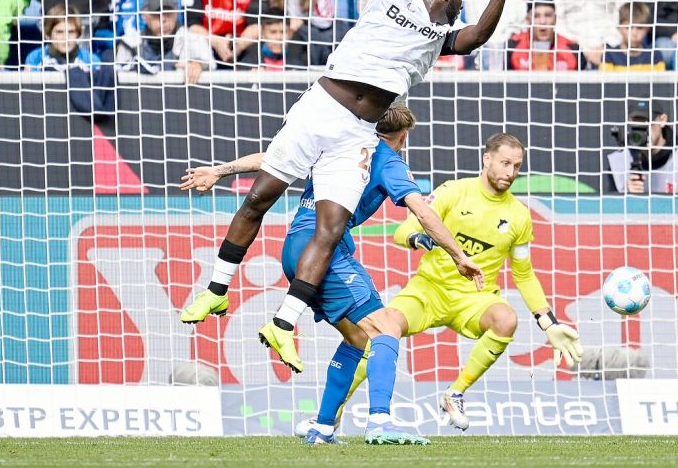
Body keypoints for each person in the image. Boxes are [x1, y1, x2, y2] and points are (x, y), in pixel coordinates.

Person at [180, 0, 521, 381]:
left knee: (333, 225)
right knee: (260, 196)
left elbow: (478, 35)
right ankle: (217, 288)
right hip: (321, 107)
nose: (462, 9)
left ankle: (284, 322)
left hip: (359, 132)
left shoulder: (440, 38)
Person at [181, 105, 472, 444]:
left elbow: (273, 157)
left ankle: (321, 427)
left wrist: (221, 170)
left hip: (295, 247)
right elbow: (422, 210)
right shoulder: (388, 161)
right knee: (387, 327)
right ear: (403, 137)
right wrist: (459, 256)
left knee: (358, 337)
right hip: (323, 251)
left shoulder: (338, 141)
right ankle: (379, 421)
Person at [299, 133, 584, 435]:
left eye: (517, 166)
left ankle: (455, 393)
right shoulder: (453, 192)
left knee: (506, 319)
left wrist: (548, 322)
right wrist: (417, 238)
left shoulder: (519, 215)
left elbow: (523, 274)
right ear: (487, 159)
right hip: (428, 291)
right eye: (504, 163)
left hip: (474, 300)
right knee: (379, 330)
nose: (510, 173)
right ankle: (332, 413)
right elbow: (403, 229)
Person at [114, 0, 216, 83]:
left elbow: (211, 64)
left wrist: (199, 65)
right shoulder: (130, 43)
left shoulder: (192, 39)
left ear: (176, 12)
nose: (163, 20)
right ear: (144, 15)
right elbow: (120, 79)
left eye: (168, 13)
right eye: (156, 14)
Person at [607, 100, 678, 195]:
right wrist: (628, 196)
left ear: (662, 120)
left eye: (648, 123)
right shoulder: (618, 162)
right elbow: (613, 209)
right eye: (637, 125)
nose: (643, 131)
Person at [505, 0, 584, 71]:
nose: (542, 21)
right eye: (536, 16)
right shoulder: (511, 46)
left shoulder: (573, 49)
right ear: (528, 20)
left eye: (548, 15)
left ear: (555, 19)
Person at [599, 2, 665, 71]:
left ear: (647, 29)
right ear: (619, 28)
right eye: (628, 27)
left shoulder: (654, 55)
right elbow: (606, 80)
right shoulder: (609, 56)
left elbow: (660, 80)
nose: (634, 33)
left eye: (640, 28)